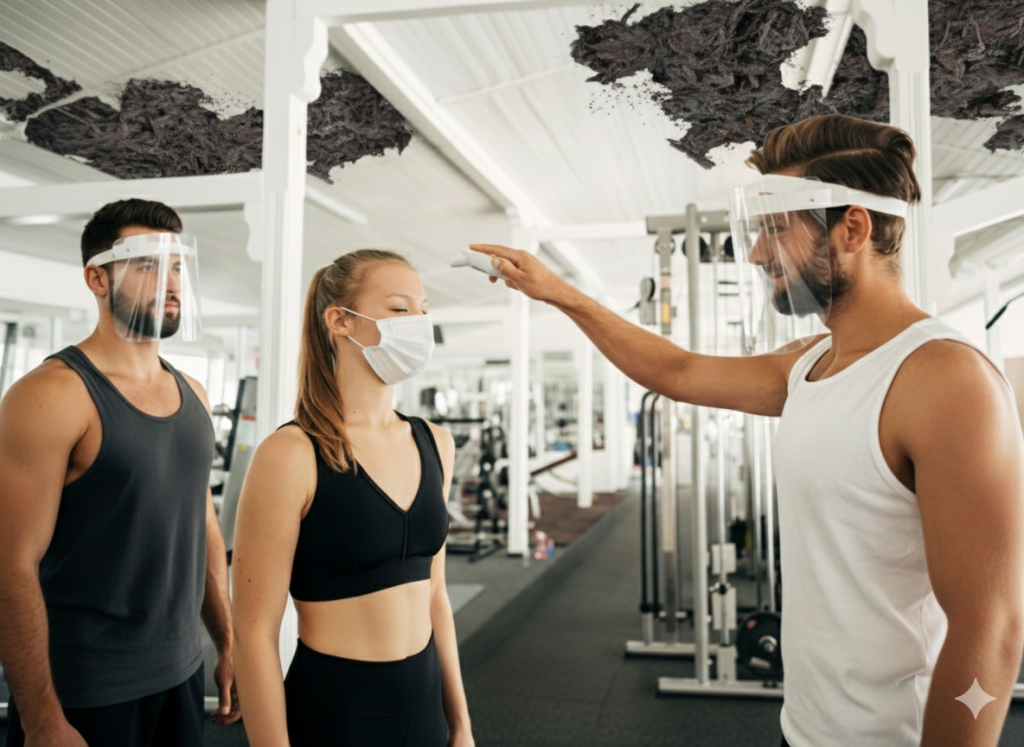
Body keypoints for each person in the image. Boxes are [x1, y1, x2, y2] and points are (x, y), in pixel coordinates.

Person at [470, 114, 1024, 747]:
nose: (757, 252)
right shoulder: (813, 362)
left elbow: (992, 627)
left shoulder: (946, 380)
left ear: (852, 228)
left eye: (774, 229)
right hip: (804, 728)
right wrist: (561, 294)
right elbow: (676, 370)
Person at [0, 199, 241, 747]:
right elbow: (10, 564)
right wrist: (41, 719)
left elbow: (201, 525)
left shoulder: (194, 394)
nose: (172, 281)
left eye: (177, 265)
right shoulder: (51, 395)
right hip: (85, 691)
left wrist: (227, 640)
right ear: (98, 279)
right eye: (150, 265)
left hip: (181, 672)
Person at [232, 249, 473, 747]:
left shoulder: (436, 443)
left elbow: (435, 596)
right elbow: (254, 633)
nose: (420, 323)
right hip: (338, 714)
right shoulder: (291, 454)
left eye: (424, 310)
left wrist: (462, 724)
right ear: (340, 320)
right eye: (402, 309)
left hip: (426, 708)